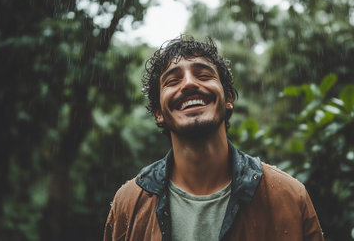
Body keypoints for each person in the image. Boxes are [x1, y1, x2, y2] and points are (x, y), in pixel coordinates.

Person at [103, 35, 324, 241]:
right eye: (172, 81)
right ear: (159, 113)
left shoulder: (289, 196)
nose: (189, 84)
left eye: (204, 75)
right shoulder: (128, 203)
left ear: (228, 99)